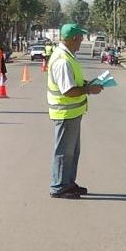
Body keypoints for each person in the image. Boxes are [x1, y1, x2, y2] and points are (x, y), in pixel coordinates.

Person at [48, 23, 104, 199]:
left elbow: (73, 82)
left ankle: (68, 183)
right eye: (80, 37)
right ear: (73, 38)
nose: (82, 40)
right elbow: (68, 90)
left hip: (72, 113)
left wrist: (88, 84)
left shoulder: (68, 56)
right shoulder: (63, 60)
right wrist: (89, 90)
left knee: (72, 152)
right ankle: (59, 186)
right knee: (64, 152)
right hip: (65, 113)